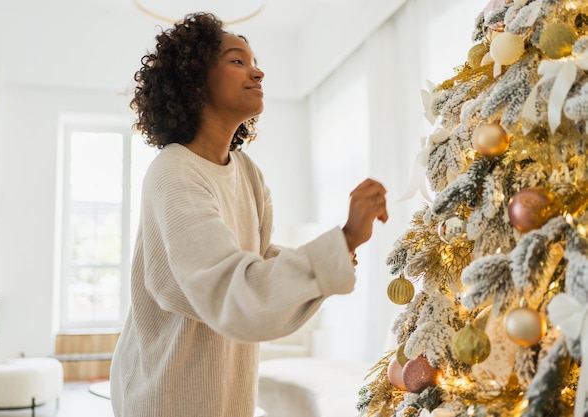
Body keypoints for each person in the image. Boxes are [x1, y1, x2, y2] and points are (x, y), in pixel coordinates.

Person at [109, 12, 389, 417]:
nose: (257, 73)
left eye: (255, 62)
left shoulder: (248, 173)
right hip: (168, 396)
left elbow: (256, 261)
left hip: (228, 395)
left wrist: (337, 253)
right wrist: (342, 239)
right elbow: (232, 292)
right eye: (237, 60)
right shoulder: (174, 171)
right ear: (194, 81)